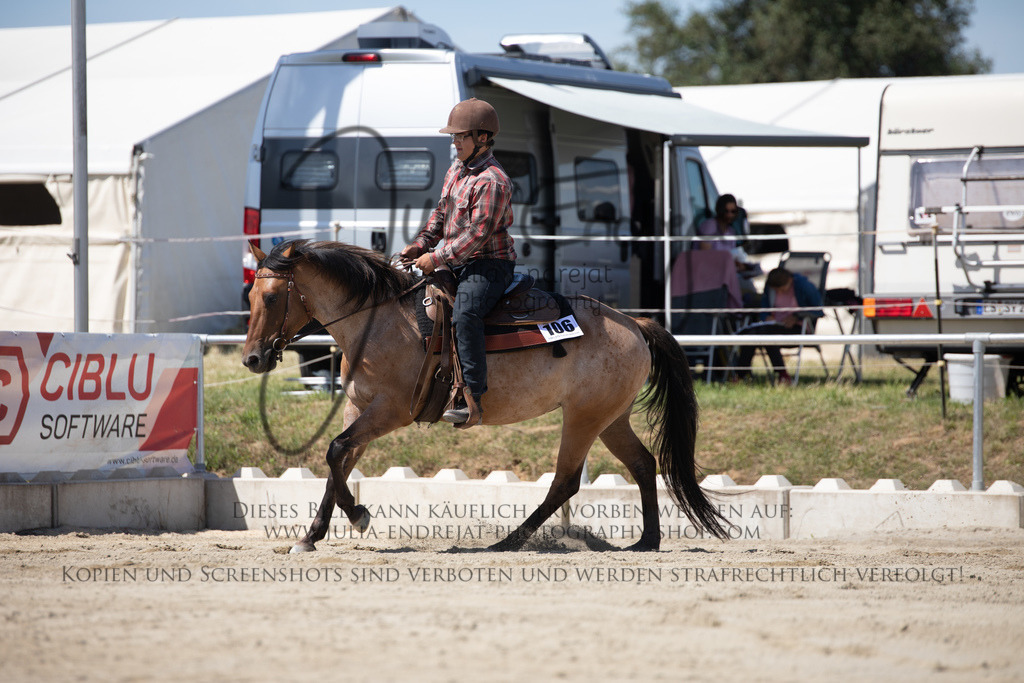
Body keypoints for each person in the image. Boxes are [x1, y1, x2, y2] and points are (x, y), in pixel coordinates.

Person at [399, 98, 515, 428]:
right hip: (456, 261)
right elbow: (440, 214)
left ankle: (472, 399)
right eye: (453, 137)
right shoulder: (456, 170)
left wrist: (435, 257)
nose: (455, 142)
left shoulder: (493, 181)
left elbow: (477, 235)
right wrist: (419, 244)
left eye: (461, 136)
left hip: (488, 265)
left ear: (482, 137)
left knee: (466, 314)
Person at [731, 267, 823, 386]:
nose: (778, 292)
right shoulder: (770, 288)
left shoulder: (803, 285)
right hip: (773, 325)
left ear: (789, 281)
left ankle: (782, 375)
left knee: (767, 335)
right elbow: (764, 308)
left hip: (798, 328)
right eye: (775, 290)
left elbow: (819, 310)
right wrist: (766, 316)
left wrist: (796, 318)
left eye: (781, 289)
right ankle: (741, 375)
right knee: (751, 334)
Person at [696, 194, 760, 306]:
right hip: (710, 275)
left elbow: (732, 255)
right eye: (726, 211)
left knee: (751, 287)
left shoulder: (731, 231)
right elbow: (704, 255)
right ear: (719, 210)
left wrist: (740, 265)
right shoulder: (710, 226)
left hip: (727, 273)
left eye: (733, 211)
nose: (729, 215)